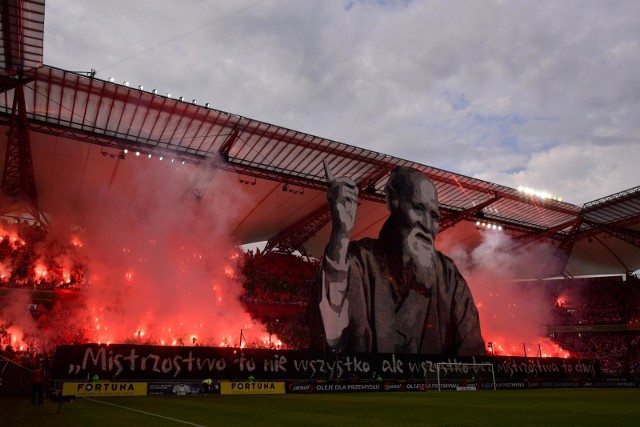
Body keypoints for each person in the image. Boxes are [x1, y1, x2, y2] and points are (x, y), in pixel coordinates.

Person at [307, 165, 485, 356]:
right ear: (393, 200)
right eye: (418, 208)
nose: (427, 225)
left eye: (434, 216)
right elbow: (331, 337)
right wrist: (340, 235)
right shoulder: (359, 259)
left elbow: (472, 350)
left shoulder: (448, 276)